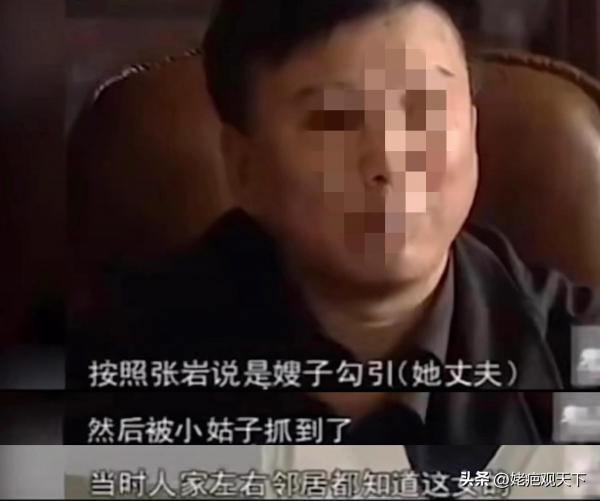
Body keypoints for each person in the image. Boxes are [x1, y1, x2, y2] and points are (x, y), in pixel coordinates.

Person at [69, 0, 600, 463]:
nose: (388, 162)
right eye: (333, 118)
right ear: (245, 167)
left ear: (474, 131)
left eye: (426, 108)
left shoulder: (578, 354)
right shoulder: (128, 359)